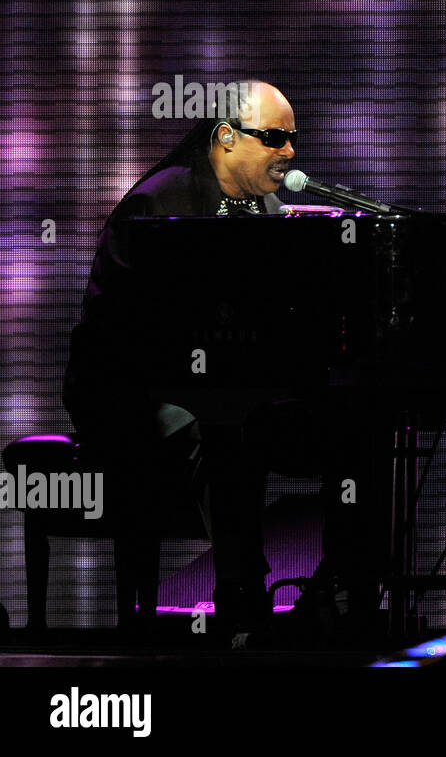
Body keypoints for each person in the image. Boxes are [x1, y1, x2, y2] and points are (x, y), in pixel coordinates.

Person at [64, 81, 380, 644]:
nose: (289, 152)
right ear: (227, 137)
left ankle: (339, 589)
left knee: (353, 427)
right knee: (222, 429)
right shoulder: (160, 203)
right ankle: (242, 602)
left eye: (293, 139)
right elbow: (125, 338)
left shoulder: (269, 209)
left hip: (229, 387)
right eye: (275, 138)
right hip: (129, 394)